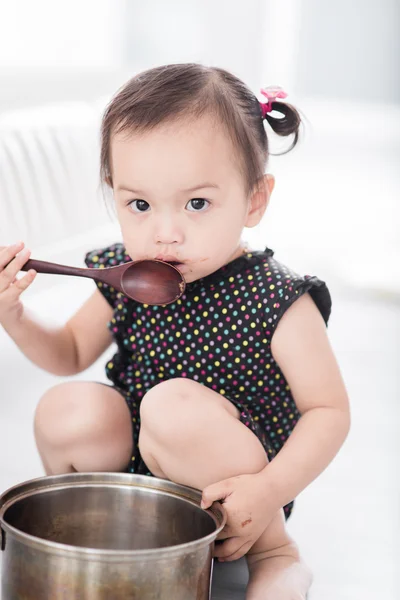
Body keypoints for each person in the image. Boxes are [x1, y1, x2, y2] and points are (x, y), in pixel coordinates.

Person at [0, 63, 350, 599]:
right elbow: (69, 352)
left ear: (254, 199)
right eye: (139, 205)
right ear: (114, 194)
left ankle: (277, 556)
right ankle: (104, 525)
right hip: (142, 472)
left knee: (173, 405)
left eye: (196, 204)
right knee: (68, 406)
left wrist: (268, 489)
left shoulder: (277, 297)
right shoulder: (122, 274)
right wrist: (14, 316)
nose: (164, 234)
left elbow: (329, 413)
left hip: (239, 487)